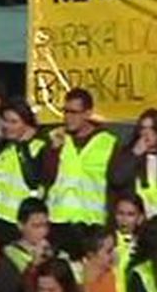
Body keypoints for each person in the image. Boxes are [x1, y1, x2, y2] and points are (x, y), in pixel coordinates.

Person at [44, 88, 119, 253]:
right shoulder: (58, 137)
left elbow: (116, 183)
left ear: (88, 113)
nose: (68, 117)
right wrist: (54, 150)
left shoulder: (108, 142)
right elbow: (47, 176)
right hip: (59, 222)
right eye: (65, 111)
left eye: (74, 112)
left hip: (92, 223)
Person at [0, 98, 45, 240]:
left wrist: (23, 145)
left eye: (14, 122)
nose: (7, 126)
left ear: (27, 125)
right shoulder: (1, 144)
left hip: (14, 221)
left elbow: (32, 179)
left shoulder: (38, 147)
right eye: (5, 121)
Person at [109, 108, 157, 219]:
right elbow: (116, 179)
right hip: (137, 220)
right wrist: (134, 155)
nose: (146, 133)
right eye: (143, 128)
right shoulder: (128, 153)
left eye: (152, 128)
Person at [4, 197, 57, 274]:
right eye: (36, 226)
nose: (43, 231)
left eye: (46, 225)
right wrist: (35, 263)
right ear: (21, 225)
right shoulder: (10, 254)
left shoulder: (53, 250)